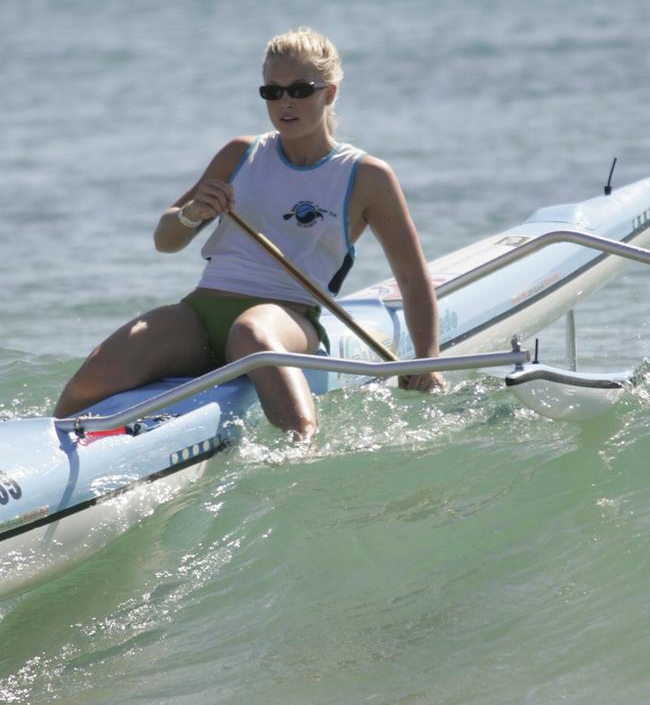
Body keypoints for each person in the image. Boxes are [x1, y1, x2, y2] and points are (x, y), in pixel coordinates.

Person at [54, 27, 443, 440]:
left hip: (287, 320)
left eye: (299, 89)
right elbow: (165, 241)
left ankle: (302, 446)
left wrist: (427, 360)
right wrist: (192, 213)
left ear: (328, 93)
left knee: (251, 331)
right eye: (272, 92)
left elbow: (412, 277)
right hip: (202, 315)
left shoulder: (366, 175)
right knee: (95, 373)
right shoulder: (240, 153)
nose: (285, 102)